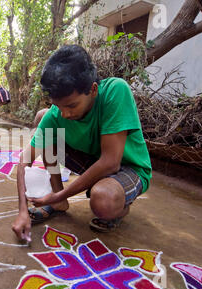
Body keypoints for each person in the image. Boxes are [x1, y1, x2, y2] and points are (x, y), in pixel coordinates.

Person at [12, 44, 152, 240]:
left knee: (103, 201)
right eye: (58, 106)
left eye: (71, 105)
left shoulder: (115, 91)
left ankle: (119, 207)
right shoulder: (57, 115)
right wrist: (22, 210)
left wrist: (58, 196)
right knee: (44, 119)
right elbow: (23, 162)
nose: (65, 114)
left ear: (93, 90)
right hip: (93, 163)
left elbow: (111, 162)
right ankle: (58, 201)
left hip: (128, 168)